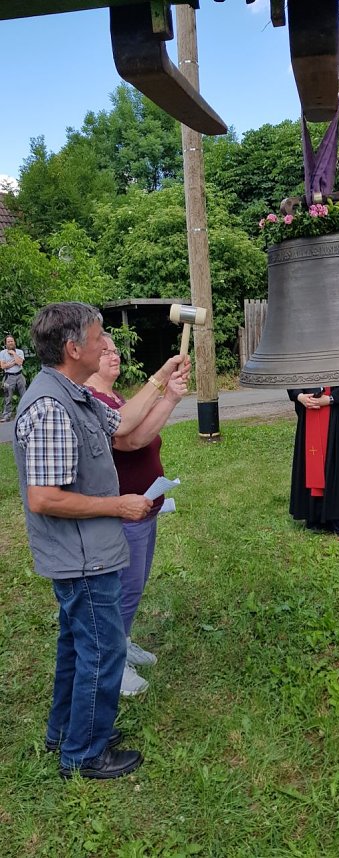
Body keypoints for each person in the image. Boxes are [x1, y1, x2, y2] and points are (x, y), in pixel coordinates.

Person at [13, 302, 188, 779]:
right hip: (81, 557)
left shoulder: (75, 394)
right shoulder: (51, 406)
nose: (105, 343)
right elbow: (45, 498)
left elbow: (125, 425)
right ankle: (84, 754)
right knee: (103, 649)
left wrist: (161, 379)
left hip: (88, 551)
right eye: (98, 337)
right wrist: (119, 505)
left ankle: (66, 731)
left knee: (77, 646)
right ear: (73, 348)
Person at [86, 334, 188, 697]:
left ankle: (123, 640)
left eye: (115, 350)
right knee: (122, 590)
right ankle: (113, 663)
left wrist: (172, 398)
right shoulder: (94, 398)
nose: (114, 356)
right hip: (122, 510)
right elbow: (127, 440)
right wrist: (161, 381)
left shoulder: (115, 397)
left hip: (144, 506)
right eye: (106, 351)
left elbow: (143, 436)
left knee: (134, 585)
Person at [287, 384, 339, 541]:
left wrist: (332, 399)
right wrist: (299, 396)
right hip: (311, 406)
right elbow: (293, 371)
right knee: (313, 458)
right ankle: (317, 516)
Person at [0, 334, 26, 421]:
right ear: (6, 344)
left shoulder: (20, 352)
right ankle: (7, 415)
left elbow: (20, 363)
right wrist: (13, 363)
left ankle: (25, 414)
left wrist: (14, 353)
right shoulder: (2, 353)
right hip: (9, 377)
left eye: (12, 341)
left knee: (24, 395)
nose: (10, 343)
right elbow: (3, 366)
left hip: (19, 375)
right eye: (8, 342)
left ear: (14, 342)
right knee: (8, 397)